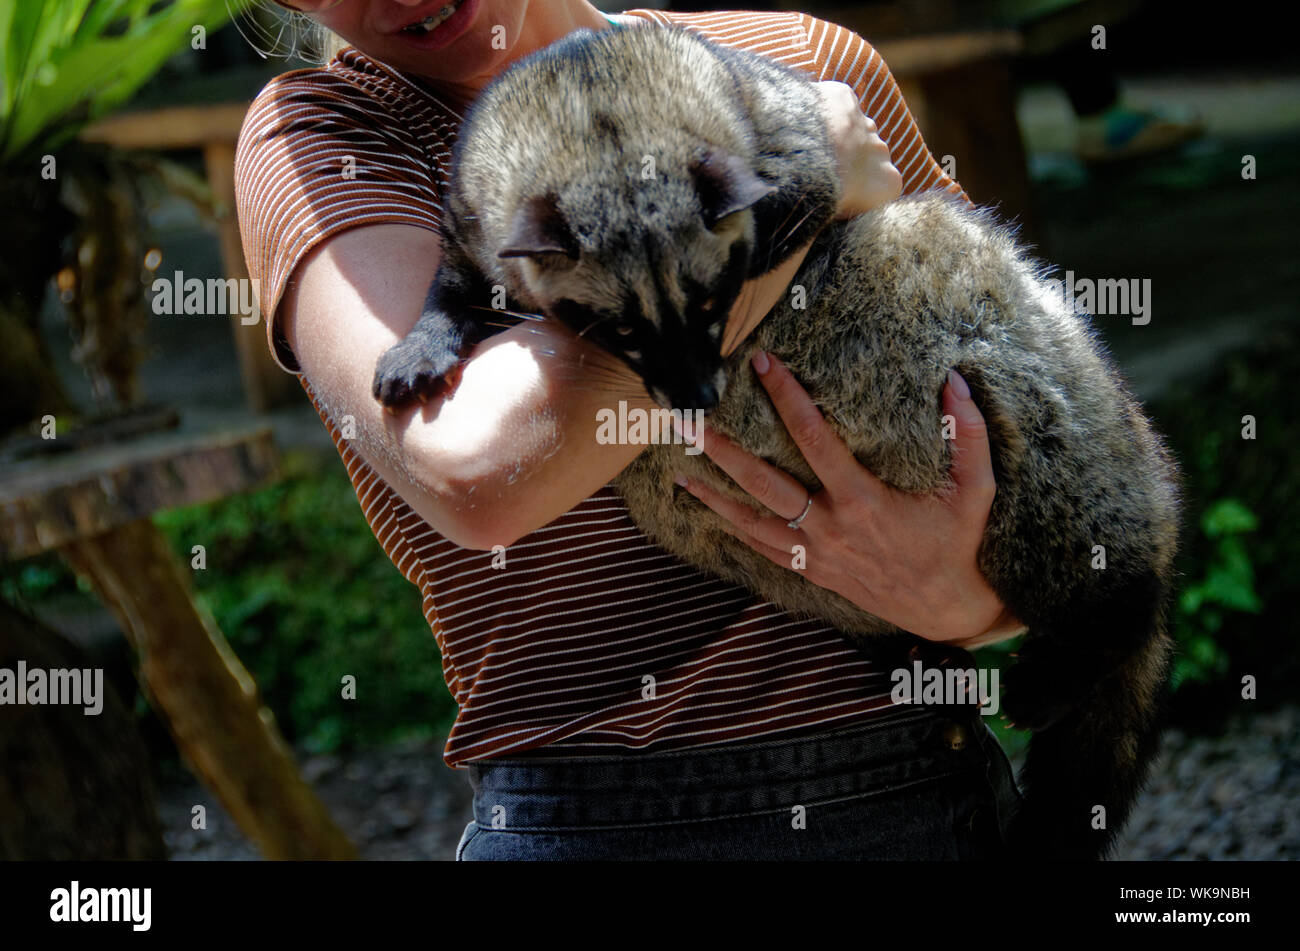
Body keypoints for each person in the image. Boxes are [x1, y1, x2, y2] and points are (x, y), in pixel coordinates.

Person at [235, 0, 1028, 860]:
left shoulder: (799, 56)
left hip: (913, 790)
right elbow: (474, 465)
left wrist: (976, 599)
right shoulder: (327, 139)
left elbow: (1041, 425)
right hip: (597, 822)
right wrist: (803, 199)